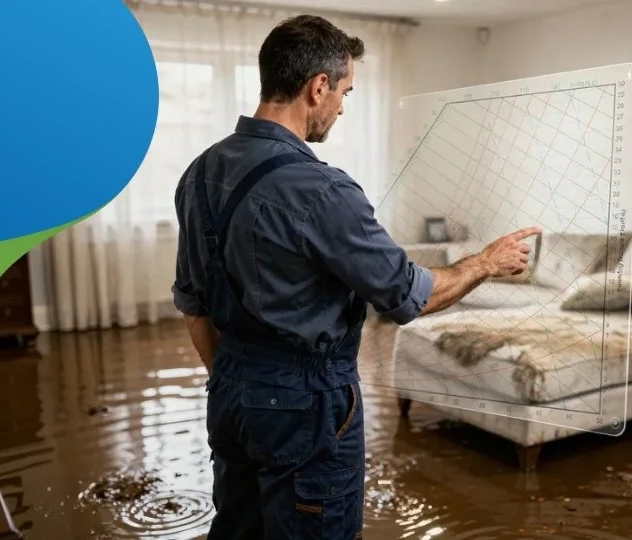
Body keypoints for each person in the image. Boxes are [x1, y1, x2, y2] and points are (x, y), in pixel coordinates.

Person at [171, 14, 539, 540]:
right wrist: (486, 262)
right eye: (345, 90)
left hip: (231, 391)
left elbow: (193, 305)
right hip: (308, 402)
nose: (343, 105)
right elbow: (409, 297)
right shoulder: (321, 190)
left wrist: (236, 379)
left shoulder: (200, 171)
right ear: (317, 86)